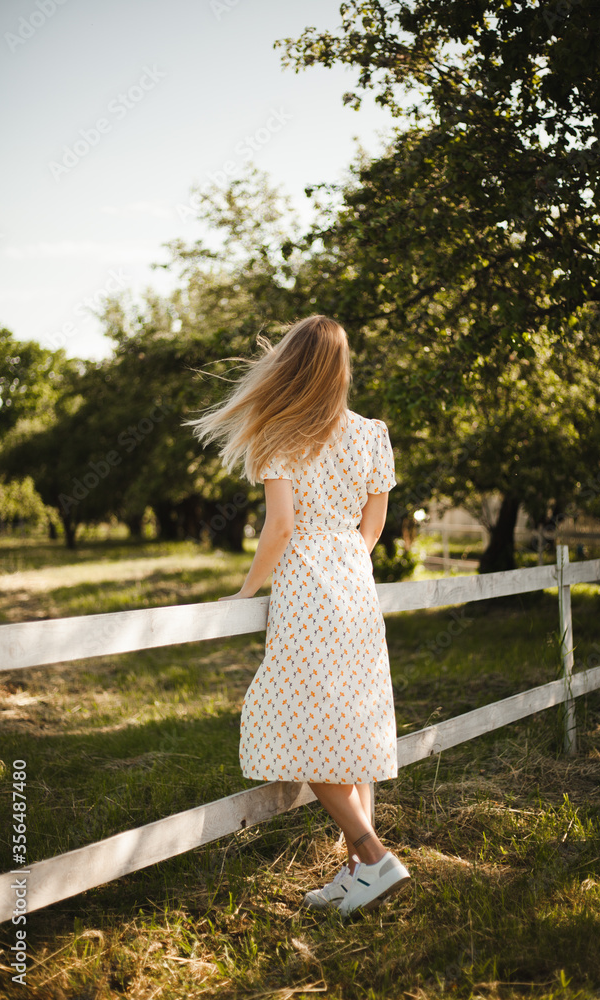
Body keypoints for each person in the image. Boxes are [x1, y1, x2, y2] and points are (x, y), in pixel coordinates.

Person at [187, 314, 410, 917]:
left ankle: (372, 858)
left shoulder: (282, 435)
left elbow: (281, 527)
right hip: (354, 581)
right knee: (350, 729)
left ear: (293, 365)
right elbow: (373, 525)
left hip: (306, 584)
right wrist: (346, 565)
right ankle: (355, 874)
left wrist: (245, 590)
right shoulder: (372, 433)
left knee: (293, 720)